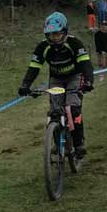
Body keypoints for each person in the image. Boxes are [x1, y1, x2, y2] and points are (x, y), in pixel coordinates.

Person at [17, 11, 94, 158]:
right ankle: (58, 142)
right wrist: (25, 85)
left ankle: (79, 143)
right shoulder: (43, 47)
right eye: (51, 35)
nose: (54, 38)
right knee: (55, 112)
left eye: (57, 34)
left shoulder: (74, 43)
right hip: (56, 79)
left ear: (64, 32)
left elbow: (85, 64)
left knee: (72, 109)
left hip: (75, 77)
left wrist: (89, 81)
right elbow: (34, 67)